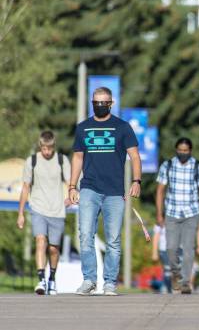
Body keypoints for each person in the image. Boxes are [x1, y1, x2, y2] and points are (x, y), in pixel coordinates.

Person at [69, 87, 142, 296]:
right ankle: (89, 280)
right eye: (96, 103)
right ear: (92, 103)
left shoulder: (122, 127)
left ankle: (109, 282)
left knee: (113, 239)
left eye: (103, 102)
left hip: (114, 192)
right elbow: (77, 158)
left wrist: (137, 181)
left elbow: (135, 156)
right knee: (85, 235)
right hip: (89, 189)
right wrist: (72, 186)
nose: (99, 106)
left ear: (111, 103)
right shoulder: (83, 128)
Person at [17, 131, 71, 295]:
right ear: (40, 146)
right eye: (44, 148)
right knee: (40, 241)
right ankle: (41, 280)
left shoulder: (62, 160)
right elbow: (25, 188)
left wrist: (71, 196)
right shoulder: (32, 161)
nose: (47, 152)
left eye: (49, 148)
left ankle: (52, 279)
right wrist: (21, 213)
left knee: (54, 249)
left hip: (57, 210)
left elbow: (70, 183)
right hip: (38, 208)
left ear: (54, 146)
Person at [156, 137, 199, 294]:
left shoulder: (198, 167)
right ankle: (175, 273)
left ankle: (185, 282)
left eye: (186, 151)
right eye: (180, 150)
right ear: (176, 150)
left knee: (188, 249)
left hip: (191, 214)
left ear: (190, 151)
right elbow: (160, 190)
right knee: (171, 248)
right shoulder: (168, 165)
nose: (182, 153)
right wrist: (159, 214)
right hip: (171, 213)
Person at [152, 224, 172, 293]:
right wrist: (154, 252)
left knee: (174, 269)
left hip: (176, 249)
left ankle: (170, 287)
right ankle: (167, 287)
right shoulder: (159, 223)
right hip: (163, 249)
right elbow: (156, 237)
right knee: (167, 269)